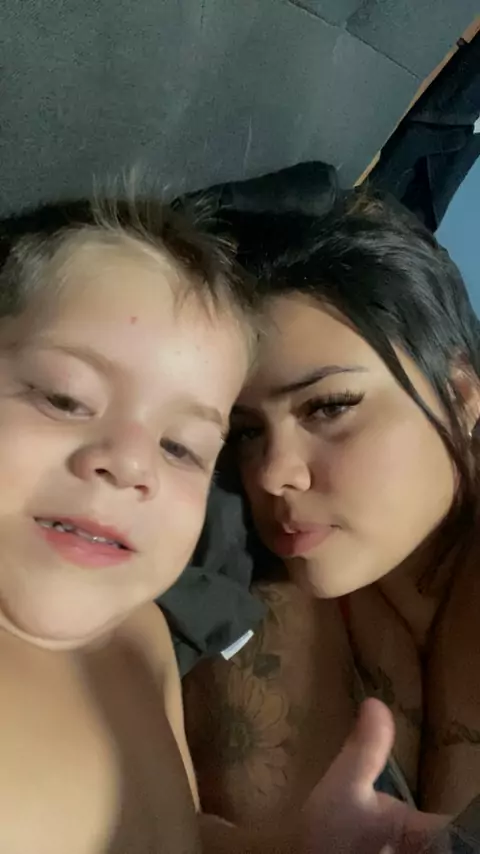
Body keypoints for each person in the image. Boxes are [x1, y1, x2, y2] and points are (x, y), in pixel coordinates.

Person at [0, 192, 450, 854]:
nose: (131, 464)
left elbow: (175, 834)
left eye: (181, 447)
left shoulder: (143, 640)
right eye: (65, 398)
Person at [183, 191, 480, 830]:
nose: (271, 474)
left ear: (460, 395)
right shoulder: (233, 591)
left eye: (329, 406)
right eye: (245, 432)